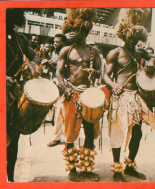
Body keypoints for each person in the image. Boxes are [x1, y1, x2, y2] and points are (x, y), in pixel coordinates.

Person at [103, 8, 155, 182]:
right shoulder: (115, 53)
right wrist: (113, 85)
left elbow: (154, 58)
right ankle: (117, 169)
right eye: (130, 36)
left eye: (135, 37)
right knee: (119, 132)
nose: (132, 40)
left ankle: (130, 165)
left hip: (136, 98)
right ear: (124, 34)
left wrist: (151, 61)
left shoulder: (140, 52)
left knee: (137, 133)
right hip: (121, 97)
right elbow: (105, 75)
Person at [57, 8, 101, 182]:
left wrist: (95, 73)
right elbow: (59, 74)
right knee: (70, 134)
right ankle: (72, 169)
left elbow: (99, 72)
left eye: (76, 30)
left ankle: (86, 168)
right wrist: (65, 89)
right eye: (71, 30)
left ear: (85, 31)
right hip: (71, 95)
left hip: (88, 96)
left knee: (90, 133)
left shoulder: (94, 52)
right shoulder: (66, 51)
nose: (72, 33)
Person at [6, 8, 40, 182]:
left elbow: (35, 57)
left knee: (13, 136)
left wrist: (32, 64)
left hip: (14, 93)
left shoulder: (20, 39)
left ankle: (10, 179)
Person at [47, 33, 67, 147]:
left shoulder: (67, 54)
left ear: (63, 43)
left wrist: (58, 64)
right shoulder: (54, 53)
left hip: (64, 86)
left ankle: (57, 137)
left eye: (57, 42)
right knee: (57, 111)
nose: (55, 43)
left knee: (60, 111)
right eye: (54, 41)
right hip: (55, 85)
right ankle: (59, 134)